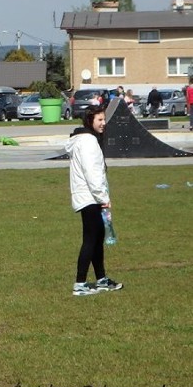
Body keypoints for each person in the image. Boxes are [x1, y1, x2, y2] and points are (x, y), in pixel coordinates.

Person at [64, 105, 123, 296]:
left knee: (97, 239)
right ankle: (80, 284)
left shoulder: (83, 140)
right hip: (90, 197)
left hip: (89, 196)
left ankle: (101, 279)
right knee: (90, 240)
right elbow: (92, 173)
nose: (103, 123)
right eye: (99, 120)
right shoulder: (88, 142)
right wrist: (103, 198)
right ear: (90, 121)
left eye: (104, 119)